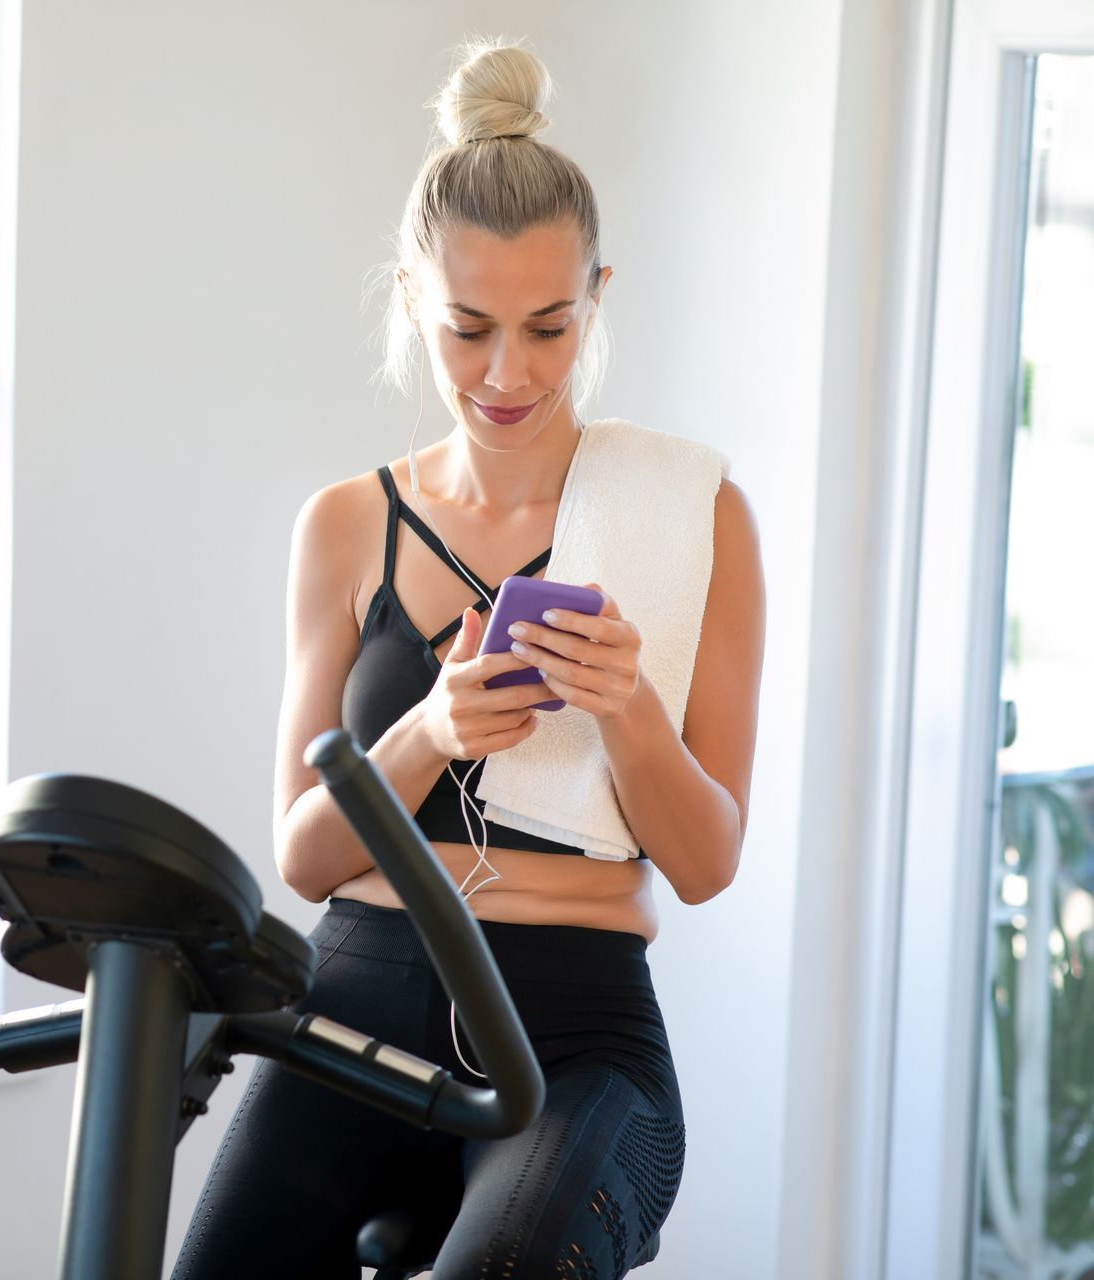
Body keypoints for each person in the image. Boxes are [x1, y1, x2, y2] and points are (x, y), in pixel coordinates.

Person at [169, 35, 767, 1280]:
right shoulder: (345, 525)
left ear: (597, 294)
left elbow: (706, 862)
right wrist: (429, 728)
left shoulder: (692, 514)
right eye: (469, 328)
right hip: (354, 1003)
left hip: (578, 1031)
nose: (509, 373)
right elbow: (304, 850)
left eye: (550, 327)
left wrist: (629, 711)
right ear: (409, 299)